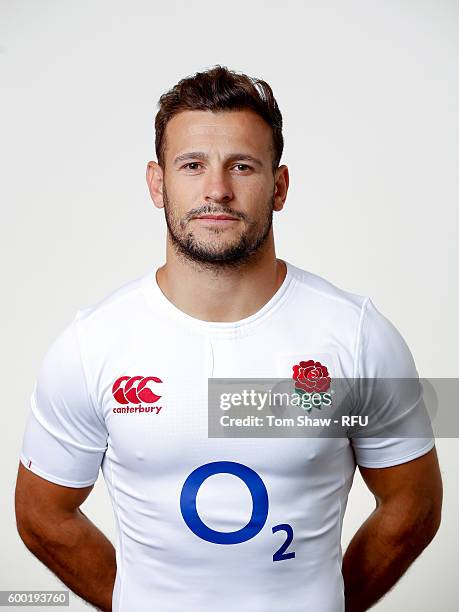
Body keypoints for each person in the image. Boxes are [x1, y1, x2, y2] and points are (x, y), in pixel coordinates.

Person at [15, 65, 442, 612]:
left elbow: (414, 506)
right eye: (192, 165)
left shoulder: (357, 336)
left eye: (242, 166)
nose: (217, 190)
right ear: (157, 182)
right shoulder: (93, 345)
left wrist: (327, 602)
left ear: (279, 186)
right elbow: (40, 515)